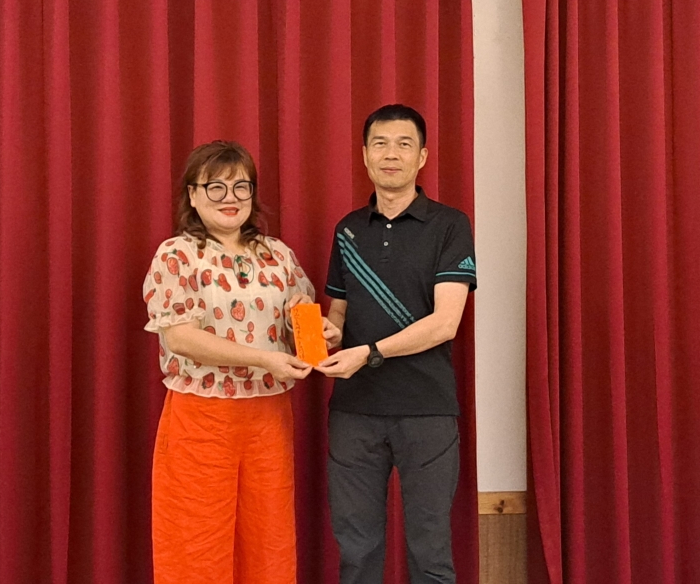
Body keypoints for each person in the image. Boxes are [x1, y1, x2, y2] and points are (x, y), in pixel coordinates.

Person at [142, 140, 325, 583]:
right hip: (201, 418)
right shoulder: (177, 255)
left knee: (268, 541)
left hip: (269, 418)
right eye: (216, 187)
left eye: (241, 187)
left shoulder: (277, 254)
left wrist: (319, 333)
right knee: (196, 543)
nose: (231, 198)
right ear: (192, 195)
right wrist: (264, 359)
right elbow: (181, 337)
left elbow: (301, 326)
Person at [315, 104, 477, 583]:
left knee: (430, 552)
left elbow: (445, 323)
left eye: (404, 144)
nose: (391, 154)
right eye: (380, 144)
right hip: (354, 412)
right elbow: (339, 314)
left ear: (422, 156)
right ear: (365, 155)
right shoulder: (347, 230)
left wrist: (370, 353)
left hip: (426, 410)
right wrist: (327, 334)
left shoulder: (450, 225)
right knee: (356, 551)